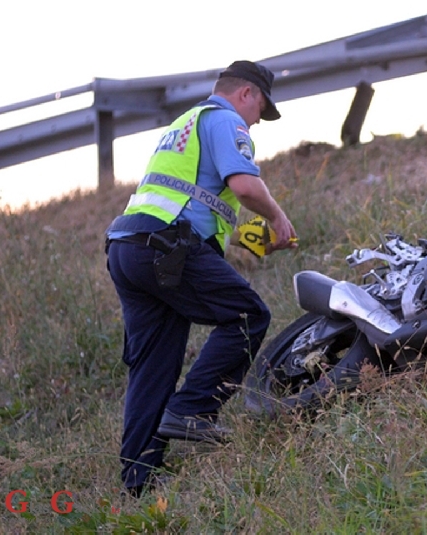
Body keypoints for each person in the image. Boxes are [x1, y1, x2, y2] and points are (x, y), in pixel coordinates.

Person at [104, 60, 297, 498]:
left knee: (153, 364)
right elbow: (245, 187)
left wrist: (256, 241)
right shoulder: (227, 119)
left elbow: (198, 208)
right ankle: (193, 409)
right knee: (249, 315)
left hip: (130, 248)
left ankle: (138, 481)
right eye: (260, 111)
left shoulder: (183, 125)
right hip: (167, 248)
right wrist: (278, 217)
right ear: (246, 93)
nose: (256, 124)